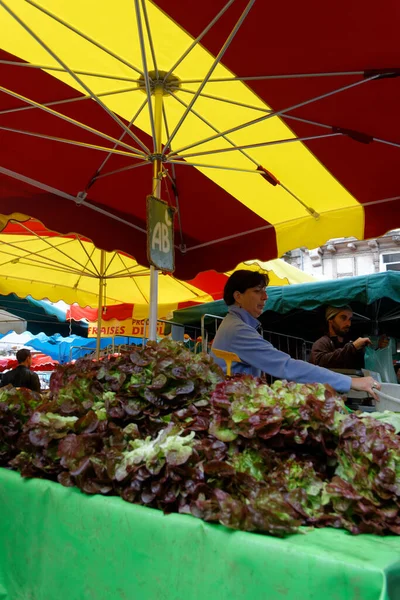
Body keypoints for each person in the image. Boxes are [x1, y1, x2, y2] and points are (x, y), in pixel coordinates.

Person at [211, 270, 380, 399]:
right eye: (257, 291)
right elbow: (286, 366)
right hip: (233, 407)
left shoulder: (234, 325)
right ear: (238, 296)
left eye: (265, 291)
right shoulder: (238, 329)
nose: (265, 297)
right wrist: (350, 382)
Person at [309, 305, 389, 370]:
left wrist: (378, 349)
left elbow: (367, 363)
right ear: (331, 320)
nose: (348, 323)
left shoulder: (348, 342)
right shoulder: (322, 343)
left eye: (350, 319)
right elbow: (320, 363)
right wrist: (352, 347)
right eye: (343, 318)